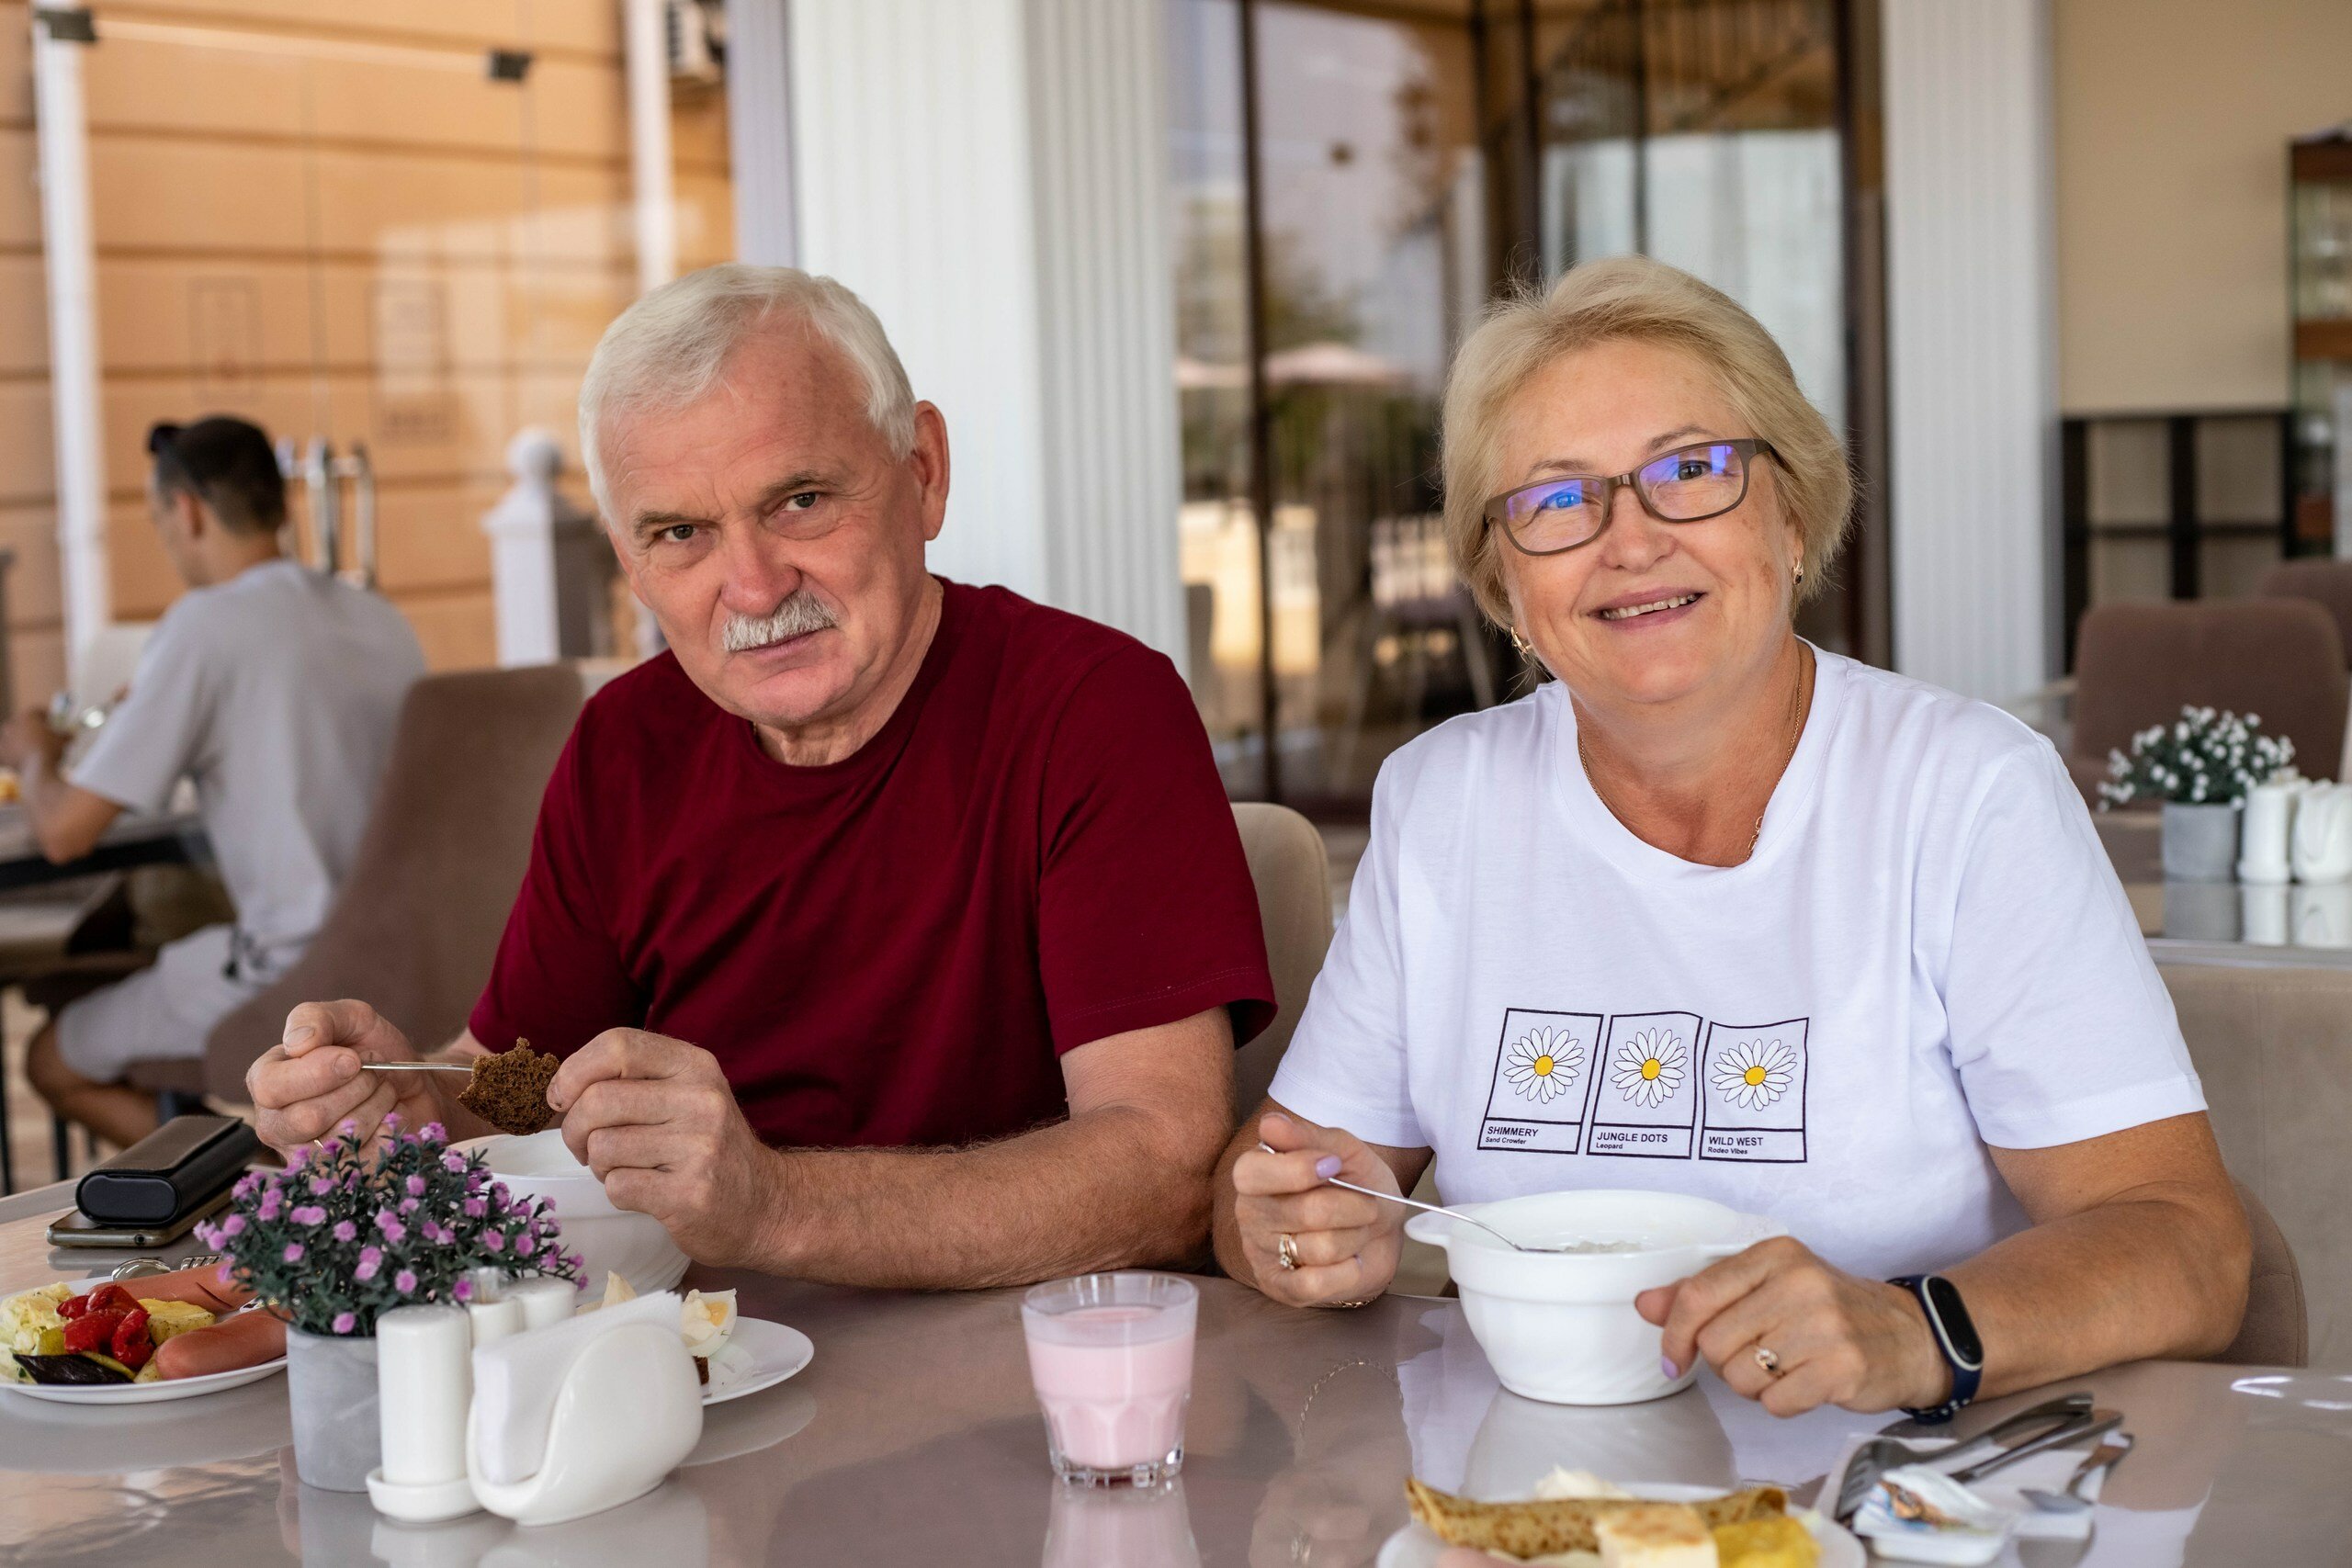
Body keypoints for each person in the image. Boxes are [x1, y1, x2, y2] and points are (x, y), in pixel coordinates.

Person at [1216, 256, 2251, 1421]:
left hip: (1894, 1504)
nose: (1631, 539)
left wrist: (1917, 1326)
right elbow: (1280, 1177)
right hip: (1532, 1504)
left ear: (1793, 515)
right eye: (1558, 500)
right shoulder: (1442, 801)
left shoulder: (1964, 792)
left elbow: (2189, 1247)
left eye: (1690, 471)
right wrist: (1290, 1227)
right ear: (1504, 588)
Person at [245, 265, 1276, 1289]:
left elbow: (1164, 1167)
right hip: (697, 1370)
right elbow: (527, 1080)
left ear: (922, 471)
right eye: (681, 533)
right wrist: (418, 1098)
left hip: (1017, 1366)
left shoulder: (1092, 710)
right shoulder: (625, 743)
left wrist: (771, 1206)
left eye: (799, 500)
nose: (751, 585)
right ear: (631, 560)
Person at [0, 416, 424, 1146]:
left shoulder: (205, 626)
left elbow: (65, 830)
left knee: (50, 1058)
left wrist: (32, 753)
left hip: (289, 973)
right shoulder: (378, 617)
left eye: (159, 518)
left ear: (186, 510)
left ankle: (260, 1198)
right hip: (413, 961)